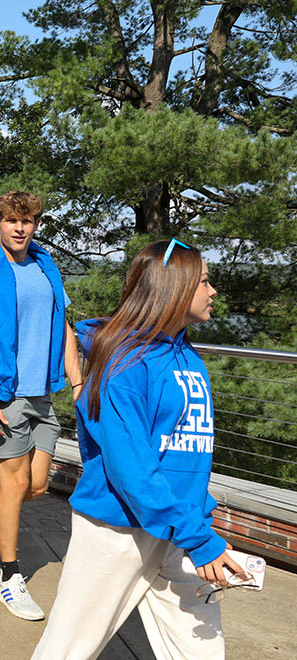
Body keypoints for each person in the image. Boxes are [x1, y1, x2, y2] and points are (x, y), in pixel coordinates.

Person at [32, 239, 241, 659]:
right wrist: (198, 538)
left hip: (179, 528)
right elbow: (132, 468)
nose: (212, 290)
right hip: (118, 530)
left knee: (201, 651)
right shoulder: (125, 364)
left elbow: (183, 452)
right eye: (204, 281)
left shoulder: (187, 357)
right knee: (69, 648)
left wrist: (198, 518)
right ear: (174, 288)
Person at [0, 190, 83, 621]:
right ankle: (9, 577)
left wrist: (78, 384)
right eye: (12, 220)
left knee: (34, 486)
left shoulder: (45, 266)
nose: (21, 228)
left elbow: (64, 327)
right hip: (5, 397)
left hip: (43, 393)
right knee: (12, 482)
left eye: (28, 221)